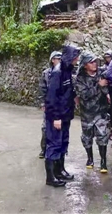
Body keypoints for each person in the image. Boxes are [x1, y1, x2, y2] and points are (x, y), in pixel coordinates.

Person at [44, 45, 81, 187]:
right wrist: (56, 118)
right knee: (53, 144)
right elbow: (52, 97)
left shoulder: (67, 71)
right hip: (57, 117)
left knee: (63, 143)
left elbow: (66, 93)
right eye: (75, 56)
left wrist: (74, 98)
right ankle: (50, 177)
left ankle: (60, 171)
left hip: (65, 115)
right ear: (70, 57)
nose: (77, 60)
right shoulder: (57, 72)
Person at [75, 52, 110, 173]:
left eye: (95, 61)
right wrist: (98, 86)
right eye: (91, 62)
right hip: (87, 113)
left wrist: (107, 93)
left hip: (101, 111)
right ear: (85, 65)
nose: (95, 64)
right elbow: (84, 95)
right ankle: (90, 158)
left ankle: (103, 161)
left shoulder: (102, 73)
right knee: (87, 137)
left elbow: (108, 85)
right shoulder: (80, 78)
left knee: (103, 135)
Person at [38, 51, 62, 159]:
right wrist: (43, 103)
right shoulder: (46, 73)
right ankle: (44, 149)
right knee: (46, 128)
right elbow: (42, 89)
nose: (60, 61)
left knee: (60, 128)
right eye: (58, 59)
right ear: (53, 60)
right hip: (49, 104)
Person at [101, 49, 112, 144]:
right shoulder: (104, 68)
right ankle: (111, 130)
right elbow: (102, 80)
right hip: (108, 90)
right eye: (106, 57)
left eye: (109, 57)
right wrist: (106, 93)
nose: (108, 59)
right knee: (110, 110)